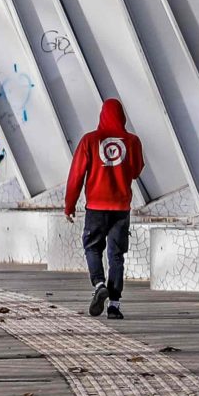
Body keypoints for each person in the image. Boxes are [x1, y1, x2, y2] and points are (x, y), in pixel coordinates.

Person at [65, 98, 144, 318]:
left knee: (92, 247)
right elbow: (136, 171)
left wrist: (69, 205)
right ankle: (114, 306)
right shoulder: (132, 141)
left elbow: (76, 175)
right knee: (116, 254)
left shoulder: (90, 140)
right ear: (122, 116)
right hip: (120, 207)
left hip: (96, 207)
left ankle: (99, 284)